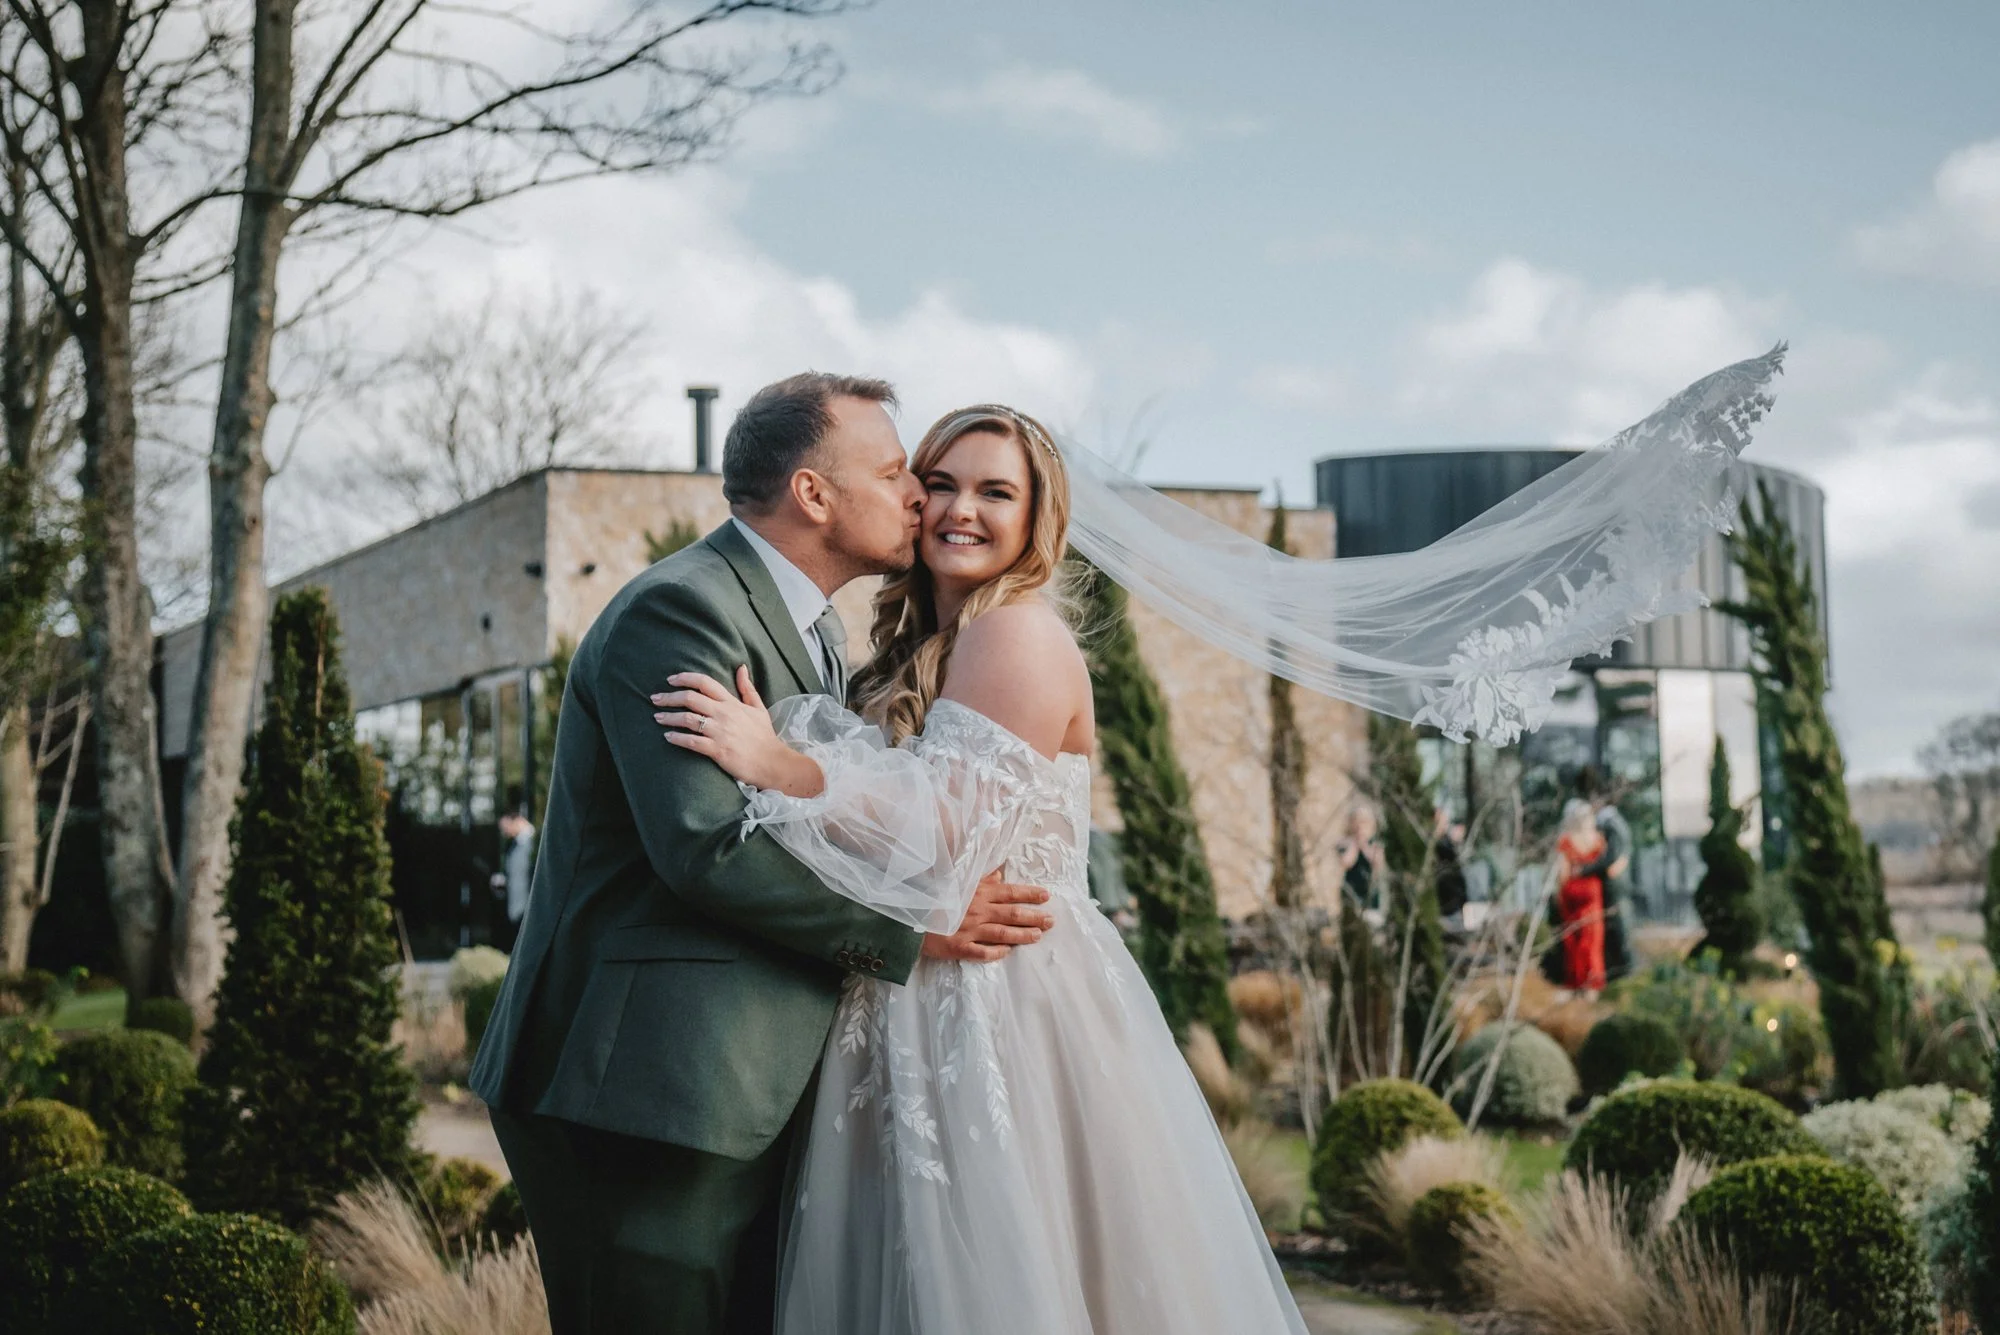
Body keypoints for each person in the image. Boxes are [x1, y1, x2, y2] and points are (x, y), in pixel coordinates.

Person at [653, 405, 1311, 1333]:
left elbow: (942, 827)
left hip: (1005, 1007)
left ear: (1036, 518)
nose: (962, 509)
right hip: (911, 986)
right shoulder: (907, 648)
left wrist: (778, 765)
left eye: (996, 491)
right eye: (942, 485)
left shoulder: (1017, 634)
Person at [467, 375, 1057, 1335]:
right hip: (651, 1085)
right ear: (814, 495)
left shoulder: (823, 632)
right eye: (896, 470)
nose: (920, 496)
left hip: (742, 1080)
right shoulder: (682, 611)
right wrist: (918, 936)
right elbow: (704, 849)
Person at [1575, 766, 1636, 981]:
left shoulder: (1612, 825)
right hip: (1609, 888)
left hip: (1615, 888)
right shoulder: (1608, 824)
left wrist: (1583, 870)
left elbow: (1610, 859)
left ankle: (1625, 975)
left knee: (1619, 933)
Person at [1554, 798, 1609, 993]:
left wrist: (1558, 895)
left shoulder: (1566, 841)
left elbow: (1562, 872)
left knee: (1573, 940)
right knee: (1592, 941)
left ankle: (1576, 983)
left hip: (1571, 893)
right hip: (1591, 895)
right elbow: (1607, 866)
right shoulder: (1597, 840)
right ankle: (1593, 984)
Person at [493, 807, 536, 951]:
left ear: (516, 821)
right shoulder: (515, 845)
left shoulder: (533, 842)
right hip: (517, 907)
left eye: (505, 826)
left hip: (529, 907)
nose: (504, 832)